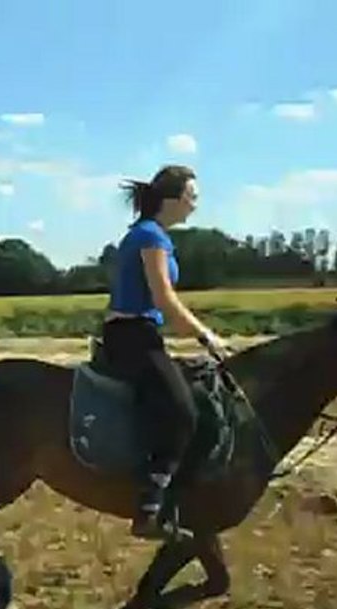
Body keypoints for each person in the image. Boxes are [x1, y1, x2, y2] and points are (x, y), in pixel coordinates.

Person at [103, 164, 230, 540]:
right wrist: (207, 336)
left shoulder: (152, 234)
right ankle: (150, 508)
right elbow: (164, 299)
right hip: (132, 336)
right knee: (182, 410)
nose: (195, 204)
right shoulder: (150, 236)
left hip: (140, 333)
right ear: (172, 200)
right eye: (192, 196)